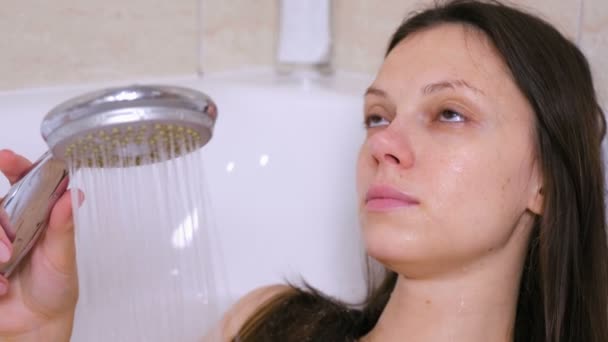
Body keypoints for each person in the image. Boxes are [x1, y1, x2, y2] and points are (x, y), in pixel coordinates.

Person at [1, 0, 607, 341]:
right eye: (376, 116)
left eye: (449, 114)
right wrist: (39, 326)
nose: (385, 144)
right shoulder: (268, 325)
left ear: (545, 181)